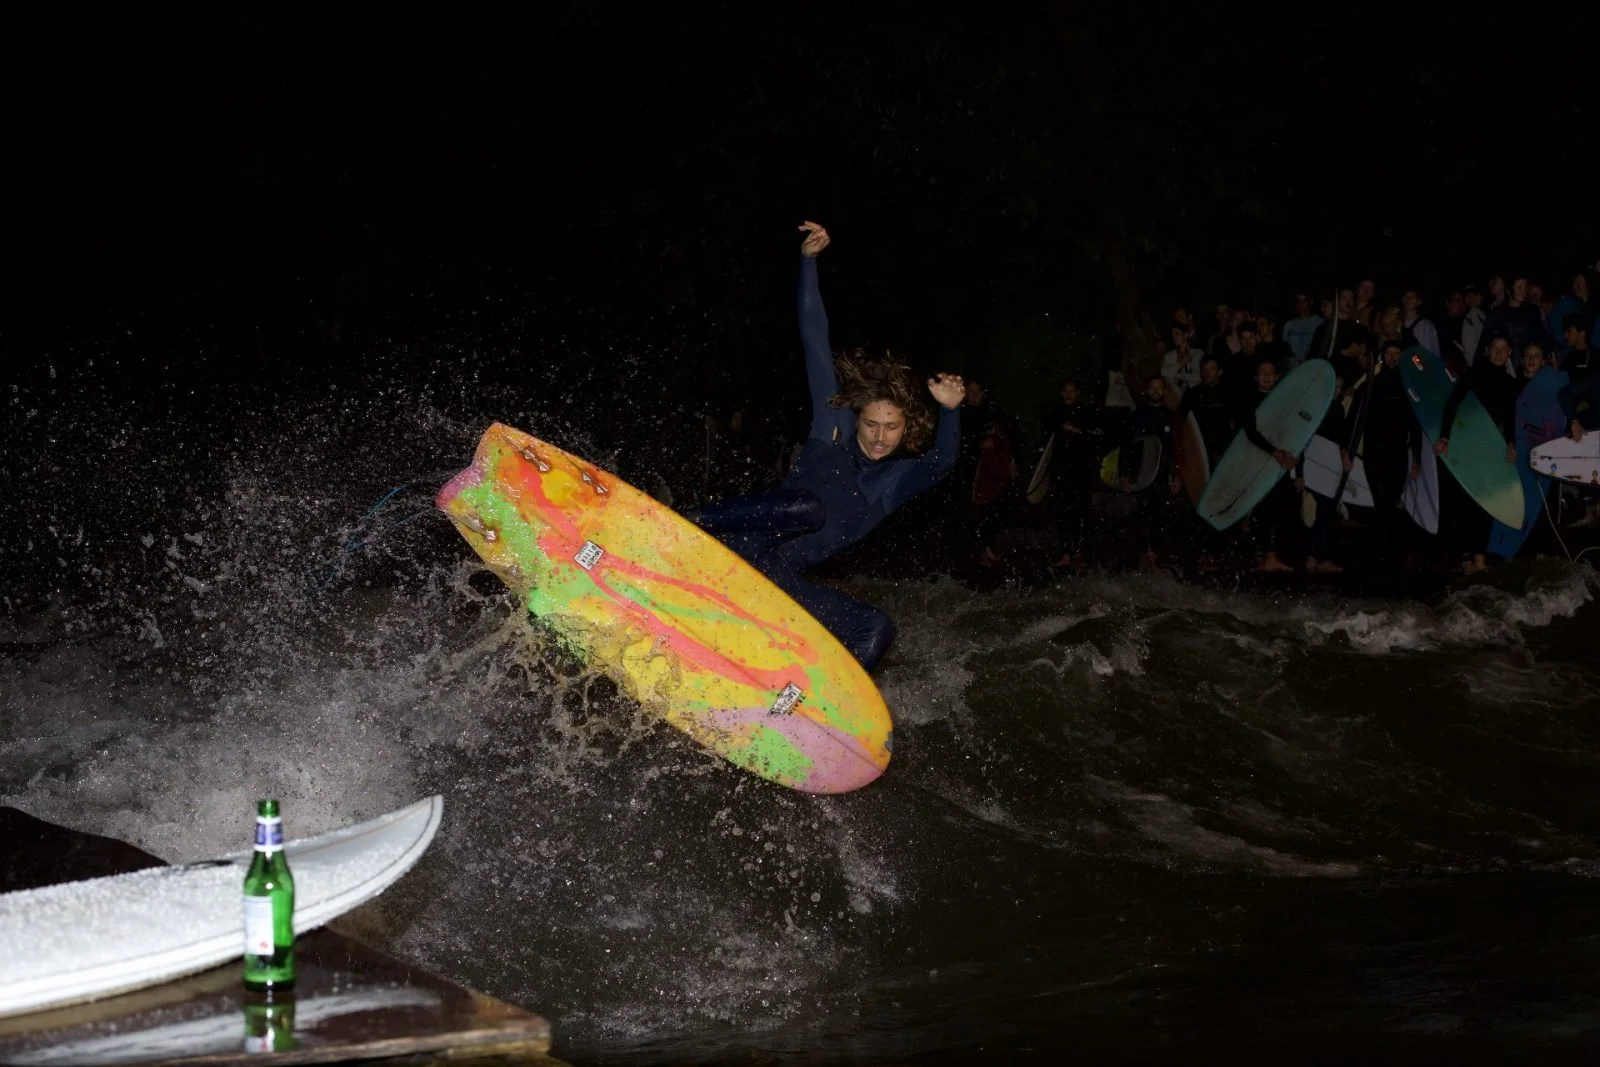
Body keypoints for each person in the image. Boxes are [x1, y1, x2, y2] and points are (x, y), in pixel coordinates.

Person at [685, 222, 964, 668]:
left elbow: (943, 462)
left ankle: (820, 700)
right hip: (740, 549)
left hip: (777, 582)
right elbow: (815, 337)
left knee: (878, 628)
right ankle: (685, 525)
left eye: (891, 428)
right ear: (857, 418)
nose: (879, 437)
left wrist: (950, 411)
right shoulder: (830, 429)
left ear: (906, 427)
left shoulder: (894, 481)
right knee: (808, 509)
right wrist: (808, 263)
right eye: (871, 424)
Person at [1437, 335, 1521, 572]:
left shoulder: (1510, 383)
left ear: (1509, 354)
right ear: (1487, 350)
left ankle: (1480, 558)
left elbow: (1511, 418)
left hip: (1492, 449)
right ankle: (1464, 556)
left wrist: (1511, 443)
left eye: (1503, 349)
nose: (1498, 353)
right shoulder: (1473, 375)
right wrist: (1445, 436)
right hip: (1467, 446)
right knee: (1465, 501)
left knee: (1487, 502)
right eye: (1495, 348)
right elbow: (1452, 404)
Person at [1354, 339, 1424, 565]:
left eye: (1397, 353)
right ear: (1382, 356)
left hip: (1398, 453)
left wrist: (1417, 458)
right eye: (1389, 353)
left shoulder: (1408, 386)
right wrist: (1349, 449)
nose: (1393, 357)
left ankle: (1390, 550)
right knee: (1380, 501)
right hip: (1374, 453)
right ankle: (1379, 550)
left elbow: (1415, 425)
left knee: (1392, 501)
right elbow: (1356, 418)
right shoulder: (1371, 384)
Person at [1236, 358, 1297, 572]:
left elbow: (1293, 432)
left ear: (1277, 376)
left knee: (1277, 507)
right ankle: (1262, 556)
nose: (1267, 376)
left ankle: (1269, 555)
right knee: (1260, 508)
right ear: (1256, 377)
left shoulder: (1284, 402)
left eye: (1270, 372)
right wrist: (1274, 452)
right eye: (1262, 372)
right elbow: (1250, 432)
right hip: (1257, 458)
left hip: (1280, 461)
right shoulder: (1249, 400)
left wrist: (1293, 461)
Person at [1295, 366, 1351, 573]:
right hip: (1311, 463)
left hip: (1328, 465)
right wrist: (1299, 473)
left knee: (1325, 510)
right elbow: (1301, 440)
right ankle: (1317, 556)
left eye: (1340, 388)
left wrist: (1344, 455)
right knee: (1325, 508)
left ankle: (1315, 557)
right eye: (1334, 387)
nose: (1336, 392)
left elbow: (1341, 437)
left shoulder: (1338, 409)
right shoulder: (1313, 408)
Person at [1043, 378, 1101, 567]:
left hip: (1080, 470)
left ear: (1077, 393)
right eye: (1065, 391)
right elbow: (1046, 439)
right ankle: (1066, 553)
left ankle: (1079, 552)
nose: (1068, 394)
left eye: (1072, 391)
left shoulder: (1086, 413)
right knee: (1062, 512)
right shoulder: (1055, 413)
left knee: (1081, 512)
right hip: (1060, 470)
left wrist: (1079, 431)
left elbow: (1097, 436)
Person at [1177, 355, 1234, 468]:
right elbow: (1180, 420)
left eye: (1211, 369)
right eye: (1204, 369)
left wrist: (1224, 450)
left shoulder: (1229, 393)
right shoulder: (1192, 394)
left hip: (1225, 451)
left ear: (1219, 372)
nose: (1206, 372)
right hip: (1199, 450)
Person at [1560, 312, 1599, 439]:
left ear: (1582, 333)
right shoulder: (1566, 359)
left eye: (1569, 331)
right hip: (1574, 419)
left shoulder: (1597, 356)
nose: (1565, 336)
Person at [1282, 293, 1324, 368]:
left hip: (1314, 367)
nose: (1300, 304)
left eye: (1304, 301)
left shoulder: (1320, 323)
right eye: (1298, 301)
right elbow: (1284, 350)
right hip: (1293, 369)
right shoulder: (1289, 325)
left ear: (1311, 302)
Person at [1161, 324, 1202, 399]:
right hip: (1177, 396)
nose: (1174, 337)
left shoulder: (1197, 353)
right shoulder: (1169, 355)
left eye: (1177, 334)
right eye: (1173, 335)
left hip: (1195, 394)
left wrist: (1177, 374)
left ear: (1186, 335)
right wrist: (1181, 363)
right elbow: (1163, 372)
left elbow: (1199, 376)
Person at [1401, 289, 1440, 355]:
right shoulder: (1395, 323)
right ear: (1402, 300)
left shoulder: (1427, 325)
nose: (1408, 299)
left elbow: (1434, 351)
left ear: (1419, 301)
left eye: (1412, 296)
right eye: (1406, 296)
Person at [1460, 284, 1487, 366]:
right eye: (1467, 296)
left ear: (1481, 297)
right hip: (1477, 363)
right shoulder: (1472, 315)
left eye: (1474, 296)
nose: (1470, 300)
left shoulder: (1480, 314)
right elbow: (1468, 347)